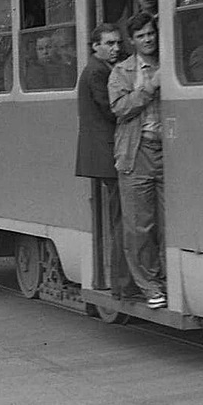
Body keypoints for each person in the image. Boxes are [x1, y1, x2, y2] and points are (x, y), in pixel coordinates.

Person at [109, 13, 167, 309]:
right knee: (140, 225)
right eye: (141, 36)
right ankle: (149, 285)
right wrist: (150, 86)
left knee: (168, 221)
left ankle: (167, 278)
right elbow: (119, 108)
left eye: (151, 33)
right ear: (132, 41)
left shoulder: (169, 62)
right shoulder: (122, 71)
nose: (148, 39)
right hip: (137, 150)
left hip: (169, 150)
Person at [75, 24, 135, 298]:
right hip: (107, 152)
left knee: (119, 215)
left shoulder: (98, 69)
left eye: (118, 43)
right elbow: (111, 109)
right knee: (121, 217)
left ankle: (122, 280)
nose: (116, 48)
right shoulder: (97, 72)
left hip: (102, 152)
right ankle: (122, 283)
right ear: (95, 46)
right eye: (109, 43)